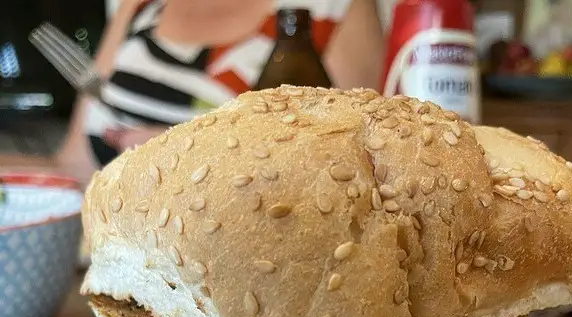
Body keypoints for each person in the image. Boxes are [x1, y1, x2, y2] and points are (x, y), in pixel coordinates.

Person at [2, 0, 383, 185]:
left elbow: (352, 174)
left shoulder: (333, 9)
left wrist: (187, 151)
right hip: (107, 260)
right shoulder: (141, 8)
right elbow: (75, 166)